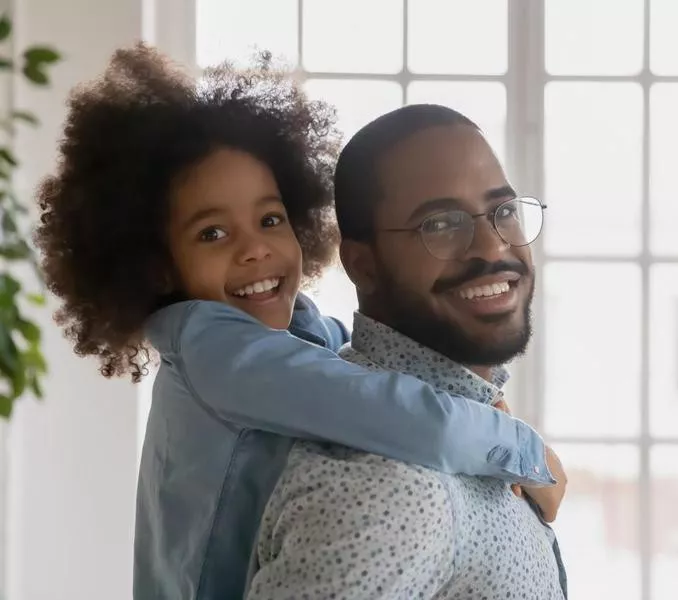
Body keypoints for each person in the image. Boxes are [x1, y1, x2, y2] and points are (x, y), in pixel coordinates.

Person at [34, 45, 560, 600]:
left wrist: (479, 400)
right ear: (159, 266)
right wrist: (521, 450)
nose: (255, 250)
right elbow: (374, 403)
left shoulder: (295, 339)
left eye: (269, 219)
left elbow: (353, 360)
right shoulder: (210, 347)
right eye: (213, 233)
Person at [248, 105, 568, 599]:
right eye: (441, 224)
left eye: (503, 212)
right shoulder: (393, 489)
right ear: (362, 264)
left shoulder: (467, 426)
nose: (491, 246)